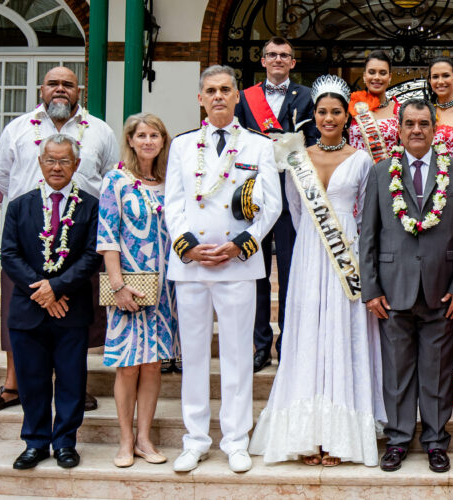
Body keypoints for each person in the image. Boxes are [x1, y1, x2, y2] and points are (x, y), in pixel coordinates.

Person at [249, 75, 386, 467]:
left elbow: (365, 213)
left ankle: (339, 435)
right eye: (322, 112)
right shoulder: (298, 157)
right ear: (314, 115)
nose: (329, 118)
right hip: (311, 251)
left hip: (348, 257)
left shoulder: (361, 160)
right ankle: (307, 434)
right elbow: (294, 208)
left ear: (347, 117)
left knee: (343, 334)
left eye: (336, 112)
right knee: (308, 332)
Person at [165, 65, 282, 473]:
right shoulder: (181, 146)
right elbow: (173, 204)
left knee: (237, 355)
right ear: (200, 98)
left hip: (238, 264)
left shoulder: (258, 145)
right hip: (193, 266)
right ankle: (195, 439)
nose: (218, 96)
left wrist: (239, 246)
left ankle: (235, 439)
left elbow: (271, 206)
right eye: (210, 90)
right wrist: (190, 248)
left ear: (236, 97)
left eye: (225, 90)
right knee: (193, 356)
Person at [0, 65, 119, 415]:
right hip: (28, 236)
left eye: (68, 84)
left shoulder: (100, 131)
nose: (60, 89)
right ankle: (14, 385)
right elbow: (0, 174)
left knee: (76, 318)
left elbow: (111, 178)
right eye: (53, 84)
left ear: (80, 91)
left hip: (78, 238)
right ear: (41, 89)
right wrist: (31, 210)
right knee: (20, 315)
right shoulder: (17, 128)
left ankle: (75, 385)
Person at [359, 98, 453, 473]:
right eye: (409, 123)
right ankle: (397, 439)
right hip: (393, 290)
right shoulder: (381, 172)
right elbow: (369, 235)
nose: (416, 130)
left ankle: (436, 441)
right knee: (395, 370)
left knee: (437, 370)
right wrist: (371, 288)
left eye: (423, 124)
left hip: (442, 290)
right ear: (399, 127)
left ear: (434, 127)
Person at [1, 133, 101, 470]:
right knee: (32, 380)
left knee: (72, 381)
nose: (57, 167)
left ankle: (65, 443)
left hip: (71, 310)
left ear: (76, 165)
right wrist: (41, 293)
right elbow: (9, 254)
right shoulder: (19, 205)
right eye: (51, 160)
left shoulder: (90, 206)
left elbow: (91, 257)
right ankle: (35, 442)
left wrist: (57, 287)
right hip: (28, 311)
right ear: (40, 163)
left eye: (64, 161)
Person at [97, 113, 179, 468]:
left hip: (165, 287)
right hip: (128, 285)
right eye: (141, 135)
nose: (148, 141)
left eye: (155, 135)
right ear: (130, 140)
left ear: (163, 140)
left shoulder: (170, 181)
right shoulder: (116, 180)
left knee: (152, 365)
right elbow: (107, 235)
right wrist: (117, 285)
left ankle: (145, 438)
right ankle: (125, 440)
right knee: (128, 366)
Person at [234, 36, 318, 372]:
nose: (278, 60)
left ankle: (288, 344)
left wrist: (290, 147)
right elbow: (236, 142)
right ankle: (259, 345)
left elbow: (314, 141)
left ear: (293, 62)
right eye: (272, 55)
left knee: (288, 273)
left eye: (285, 55)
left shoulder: (307, 97)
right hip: (254, 197)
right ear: (263, 60)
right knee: (256, 274)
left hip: (291, 197)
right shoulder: (245, 98)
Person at [349, 51, 401, 163]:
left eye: (382, 73)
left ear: (389, 77)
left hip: (388, 176)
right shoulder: (351, 108)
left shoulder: (399, 111)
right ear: (364, 76)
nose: (377, 77)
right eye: (372, 72)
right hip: (356, 176)